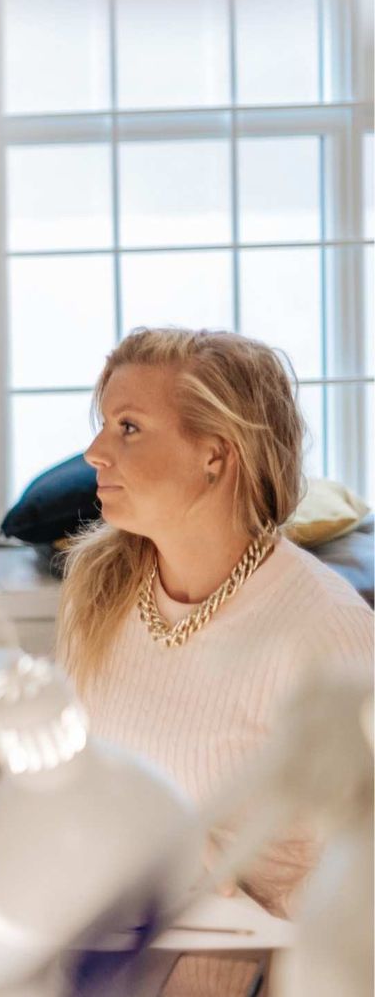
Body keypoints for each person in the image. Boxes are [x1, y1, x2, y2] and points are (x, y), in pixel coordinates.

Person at [61, 328, 373, 929]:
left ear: (215, 455)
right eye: (104, 425)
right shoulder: (100, 591)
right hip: (115, 947)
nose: (95, 452)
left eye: (128, 427)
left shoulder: (327, 632)